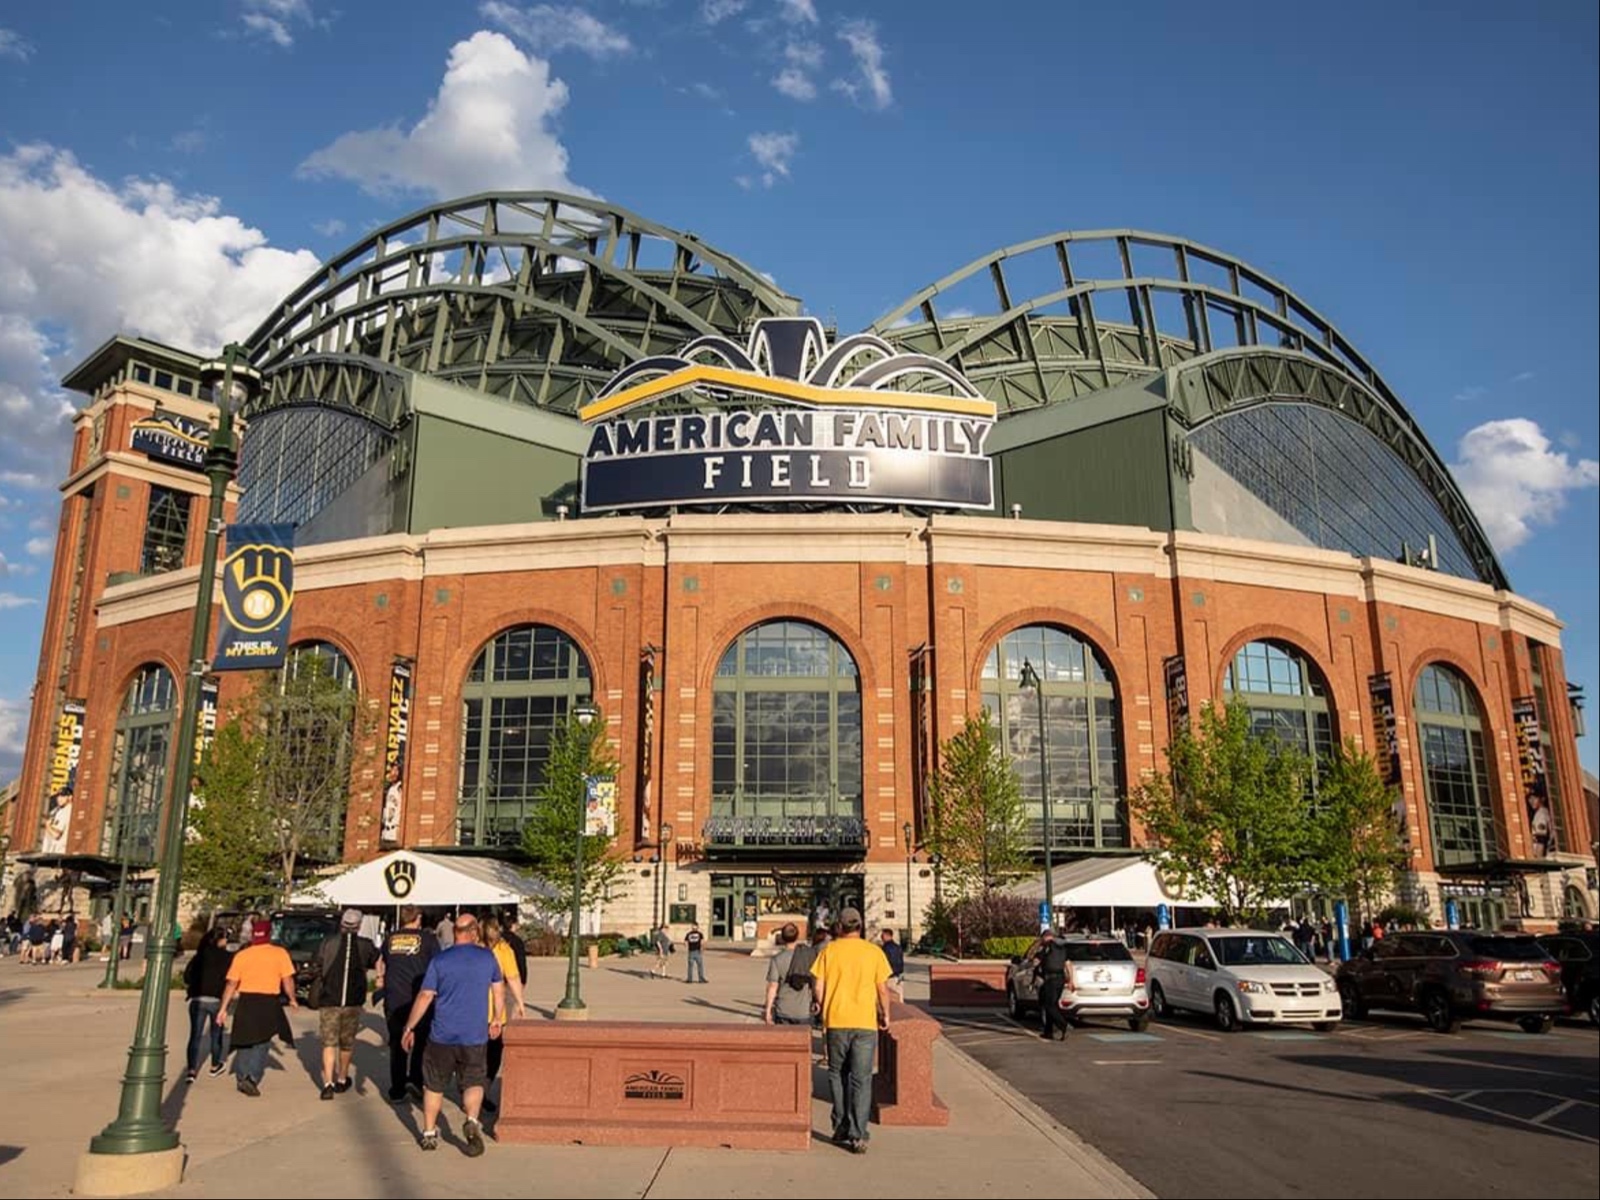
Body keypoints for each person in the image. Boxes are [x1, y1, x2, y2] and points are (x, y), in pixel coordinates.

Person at [402, 912, 505, 1156]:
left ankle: (428, 1133)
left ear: (455, 933)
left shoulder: (440, 960)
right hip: (474, 1035)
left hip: (442, 1035)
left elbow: (425, 996)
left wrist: (410, 1026)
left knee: (434, 1086)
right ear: (473, 932)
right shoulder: (487, 957)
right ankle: (471, 1119)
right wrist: (497, 1019)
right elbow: (499, 991)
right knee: (473, 1082)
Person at [809, 906, 893, 1154]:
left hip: (836, 1020)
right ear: (859, 926)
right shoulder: (873, 952)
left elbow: (818, 986)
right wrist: (885, 1013)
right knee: (861, 1078)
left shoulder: (829, 951)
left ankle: (841, 1124)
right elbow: (883, 988)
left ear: (840, 926)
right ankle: (859, 1133)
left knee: (837, 1074)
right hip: (865, 1023)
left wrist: (822, 1006)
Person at [219, 921, 298, 1096]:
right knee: (262, 1041)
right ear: (269, 934)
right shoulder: (280, 954)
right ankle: (252, 1077)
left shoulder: (242, 955)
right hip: (268, 1001)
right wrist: (292, 999)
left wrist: (223, 1008)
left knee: (243, 1040)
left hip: (247, 1001)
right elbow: (287, 980)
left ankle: (242, 1076)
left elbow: (231, 984)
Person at [312, 908, 379, 1100]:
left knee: (329, 1042)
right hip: (352, 1001)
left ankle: (328, 1083)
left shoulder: (328, 943)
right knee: (347, 1043)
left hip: (329, 1000)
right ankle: (342, 1078)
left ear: (341, 924)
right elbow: (377, 960)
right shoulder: (365, 945)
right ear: (358, 925)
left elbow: (318, 965)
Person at [375, 904, 439, 1103]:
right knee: (421, 1043)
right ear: (418, 918)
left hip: (394, 997)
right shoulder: (428, 939)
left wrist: (380, 978)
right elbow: (438, 963)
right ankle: (415, 1081)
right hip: (420, 997)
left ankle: (398, 1088)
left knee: (397, 1044)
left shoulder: (390, 939)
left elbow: (381, 961)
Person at [480, 917, 528, 1114]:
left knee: (482, 1055)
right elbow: (514, 977)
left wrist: (519, 1001)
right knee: (491, 1055)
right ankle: (479, 1092)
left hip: (479, 1012)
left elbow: (513, 977)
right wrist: (520, 1002)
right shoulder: (503, 950)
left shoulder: (477, 949)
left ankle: (476, 1091)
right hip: (493, 1014)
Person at [183, 927, 234, 1081]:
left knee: (195, 1035)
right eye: (225, 938)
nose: (227, 941)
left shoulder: (199, 956)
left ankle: (191, 1069)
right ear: (220, 940)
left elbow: (187, 976)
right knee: (216, 1034)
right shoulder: (227, 957)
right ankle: (215, 1065)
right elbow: (230, 979)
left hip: (198, 999)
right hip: (217, 999)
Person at [763, 923, 816, 1027]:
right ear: (797, 936)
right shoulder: (807, 956)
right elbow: (815, 983)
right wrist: (816, 1001)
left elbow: (772, 987)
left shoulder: (777, 959)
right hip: (803, 1010)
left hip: (783, 1009)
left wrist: (768, 1010)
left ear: (782, 938)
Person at [1030, 926, 1070, 1041]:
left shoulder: (1045, 947)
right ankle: (1048, 1031)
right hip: (1061, 979)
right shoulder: (1061, 947)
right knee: (1052, 1004)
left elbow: (1035, 962)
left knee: (1048, 1005)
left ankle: (1063, 1025)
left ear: (1045, 937)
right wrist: (1071, 980)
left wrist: (1033, 964)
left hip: (1050, 979)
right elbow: (1068, 964)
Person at [878, 928, 905, 995]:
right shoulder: (898, 947)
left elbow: (885, 962)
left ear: (887, 935)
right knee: (898, 996)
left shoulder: (885, 948)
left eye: (882, 935)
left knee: (890, 996)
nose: (881, 937)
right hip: (898, 975)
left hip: (889, 975)